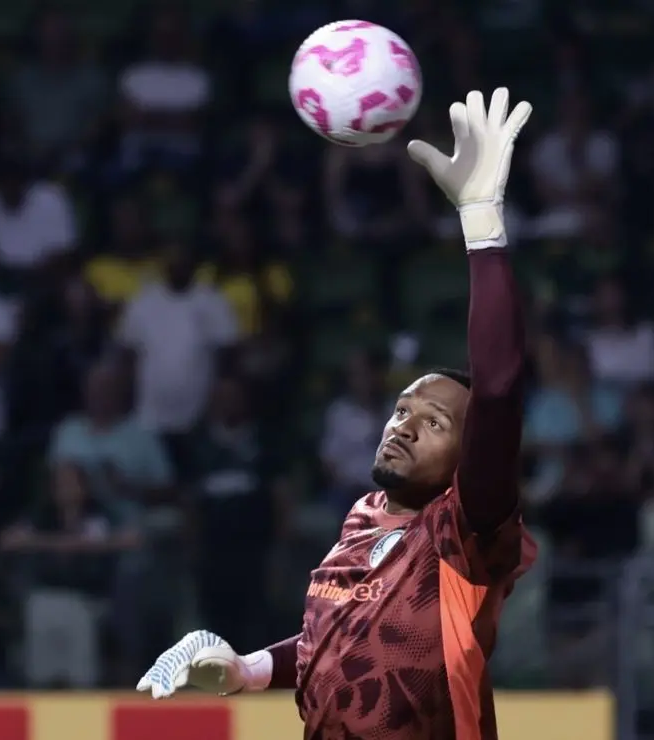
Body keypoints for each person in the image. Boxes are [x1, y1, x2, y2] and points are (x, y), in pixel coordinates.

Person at [136, 89, 536, 740]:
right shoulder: (362, 518)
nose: (404, 425)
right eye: (401, 409)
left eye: (434, 422)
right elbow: (336, 639)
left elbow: (498, 387)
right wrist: (248, 669)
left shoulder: (464, 536)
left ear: (471, 458)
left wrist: (481, 220)